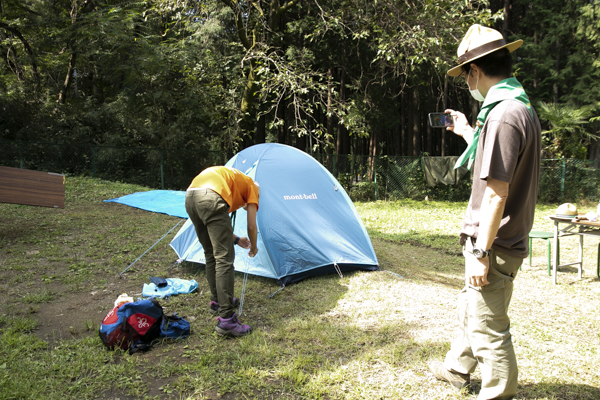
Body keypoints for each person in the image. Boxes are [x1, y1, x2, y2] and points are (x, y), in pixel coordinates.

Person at [428, 25, 541, 399]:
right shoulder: (515, 106)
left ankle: (498, 393)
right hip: (498, 239)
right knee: (472, 307)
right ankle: (456, 368)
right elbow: (495, 159)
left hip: (494, 242)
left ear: (475, 70)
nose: (467, 83)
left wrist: (481, 252)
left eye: (466, 76)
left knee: (488, 328)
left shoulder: (504, 115)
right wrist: (465, 131)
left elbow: (496, 192)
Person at [184, 166, 260, 337]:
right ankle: (226, 320)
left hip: (191, 195)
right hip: (211, 196)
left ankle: (218, 301)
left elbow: (216, 225)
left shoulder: (235, 181)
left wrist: (236, 239)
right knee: (224, 259)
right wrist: (254, 247)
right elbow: (251, 226)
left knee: (211, 255)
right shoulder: (253, 187)